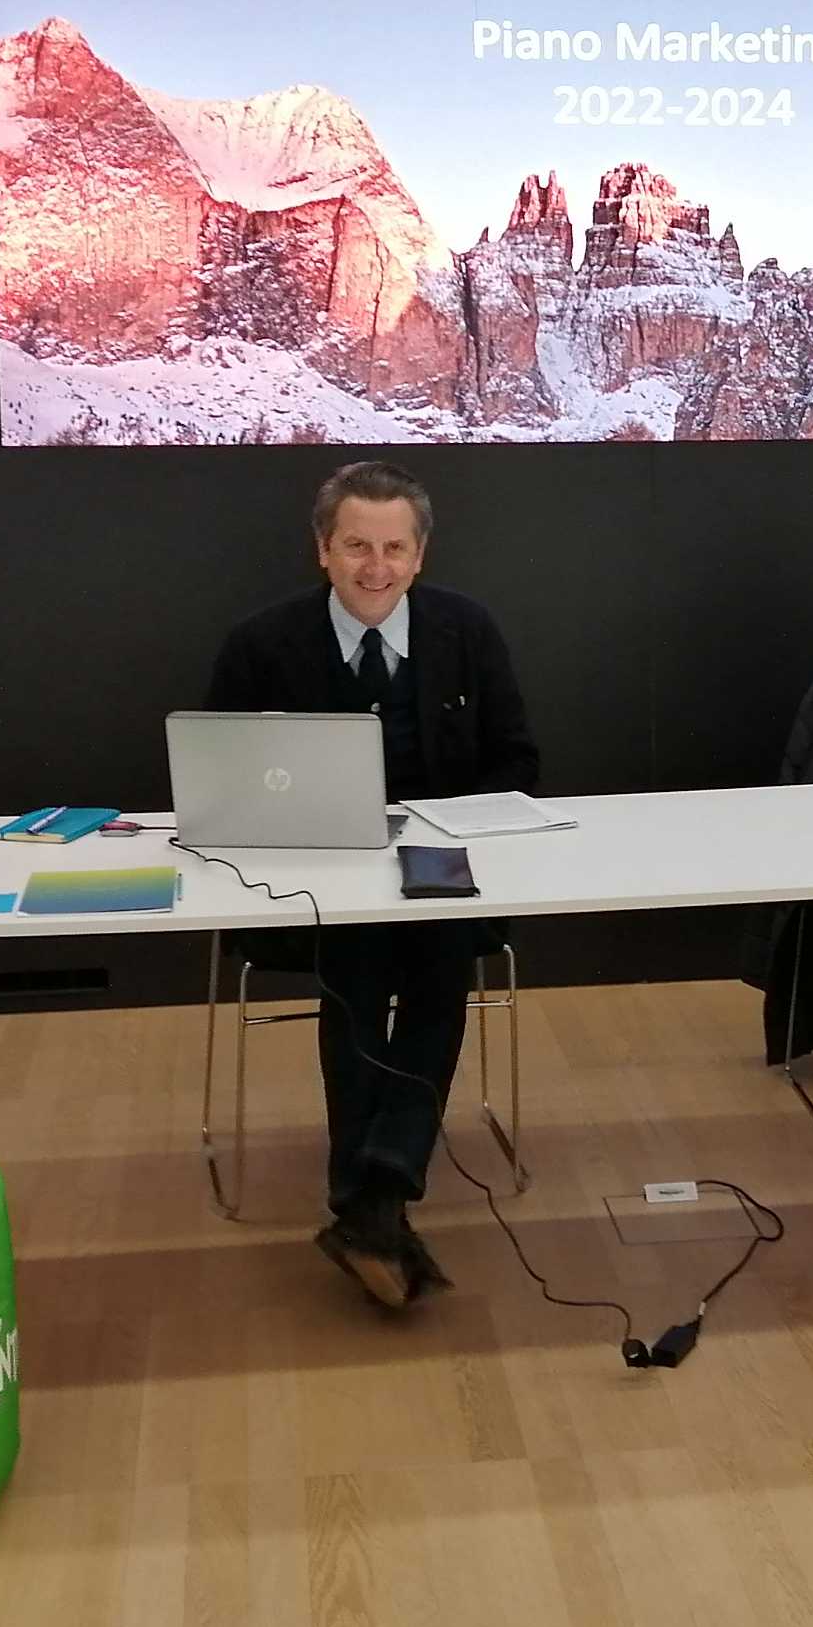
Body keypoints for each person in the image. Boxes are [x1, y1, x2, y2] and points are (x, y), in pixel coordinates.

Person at [206, 459, 538, 1306]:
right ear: (323, 548)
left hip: (439, 866)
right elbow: (218, 780)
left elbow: (517, 760)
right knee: (354, 966)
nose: (376, 567)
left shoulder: (468, 631)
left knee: (439, 961)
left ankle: (371, 1198)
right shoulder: (261, 644)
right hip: (313, 876)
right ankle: (378, 1198)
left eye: (395, 549)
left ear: (420, 555)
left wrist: (452, 826)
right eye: (357, 546)